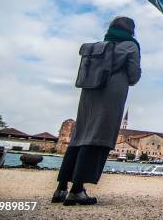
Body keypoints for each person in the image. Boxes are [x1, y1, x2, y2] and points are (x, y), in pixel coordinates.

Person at [52, 16, 141, 205]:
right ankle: (77, 190)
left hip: (89, 93)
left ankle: (60, 189)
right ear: (131, 30)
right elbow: (133, 76)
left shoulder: (98, 47)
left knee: (79, 137)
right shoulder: (131, 46)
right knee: (97, 138)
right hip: (112, 94)